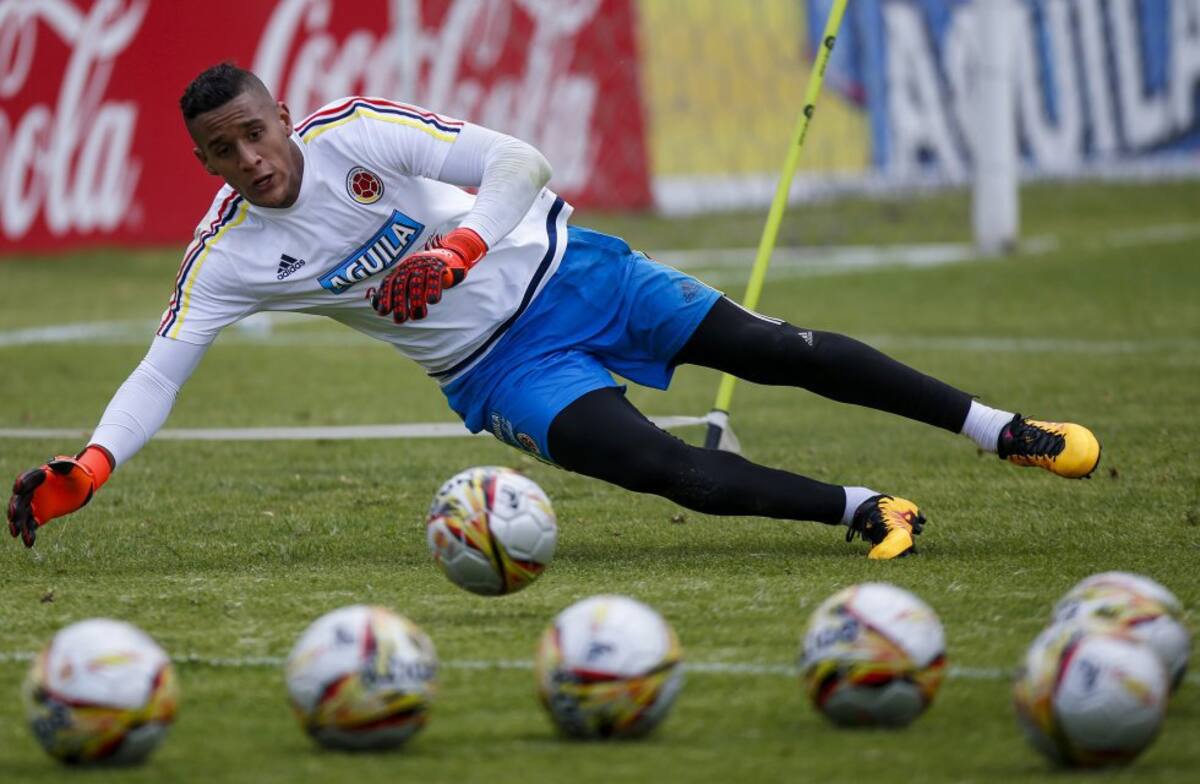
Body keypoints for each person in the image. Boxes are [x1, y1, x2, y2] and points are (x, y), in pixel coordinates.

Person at [7, 63, 1101, 560]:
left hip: (574, 271)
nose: (250, 159)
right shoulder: (228, 254)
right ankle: (865, 509)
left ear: (284, 115)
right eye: (223, 152)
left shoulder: (355, 132)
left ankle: (1001, 430)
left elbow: (521, 162)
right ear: (205, 163)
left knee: (778, 349)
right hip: (498, 374)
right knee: (670, 473)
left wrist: (462, 245)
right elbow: (161, 368)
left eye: (256, 132)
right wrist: (92, 467)